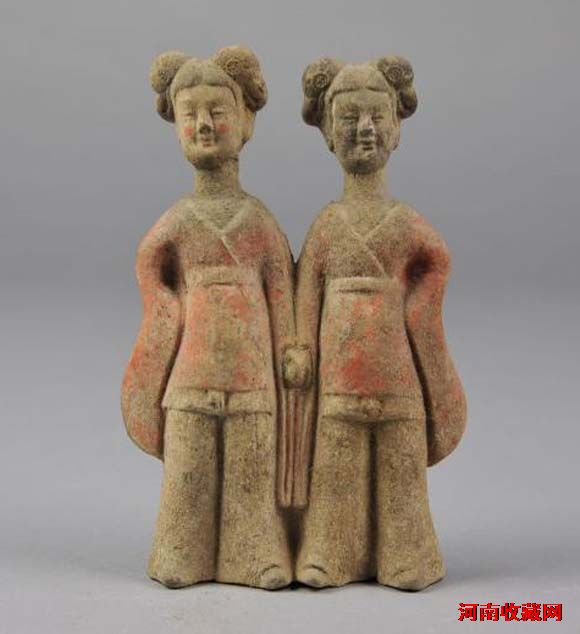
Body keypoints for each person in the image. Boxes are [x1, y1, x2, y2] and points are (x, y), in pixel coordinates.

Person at [121, 47, 299, 589]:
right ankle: (182, 550)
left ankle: (257, 554)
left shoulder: (258, 220)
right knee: (189, 471)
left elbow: (281, 293)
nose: (203, 124)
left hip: (252, 379)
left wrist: (291, 350)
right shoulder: (180, 220)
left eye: (217, 111)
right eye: (190, 113)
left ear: (245, 122)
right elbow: (149, 263)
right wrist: (164, 304)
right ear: (175, 126)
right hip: (191, 373)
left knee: (252, 470)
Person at [293, 56, 467, 590]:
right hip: (338, 380)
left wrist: (419, 307)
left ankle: (408, 554)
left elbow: (437, 261)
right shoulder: (328, 224)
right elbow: (306, 293)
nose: (364, 129)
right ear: (329, 134)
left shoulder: (404, 222)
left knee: (400, 471)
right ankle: (329, 553)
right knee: (335, 469)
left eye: (376, 117)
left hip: (397, 373)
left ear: (396, 129)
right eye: (349, 119)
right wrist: (300, 348)